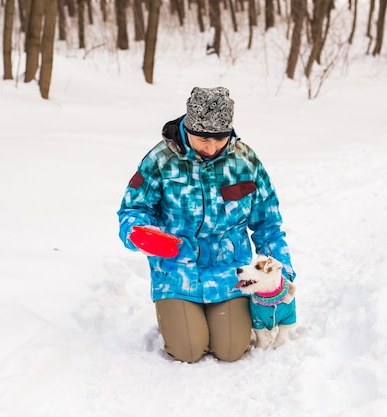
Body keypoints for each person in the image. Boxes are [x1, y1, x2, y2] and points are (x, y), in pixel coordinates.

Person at [117, 86, 295, 363]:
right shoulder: (160, 160)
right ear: (188, 128)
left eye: (220, 139)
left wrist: (283, 273)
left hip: (229, 272)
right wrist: (140, 233)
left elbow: (267, 223)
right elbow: (133, 209)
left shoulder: (246, 162)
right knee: (188, 350)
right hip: (178, 272)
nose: (211, 148)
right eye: (202, 139)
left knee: (231, 350)